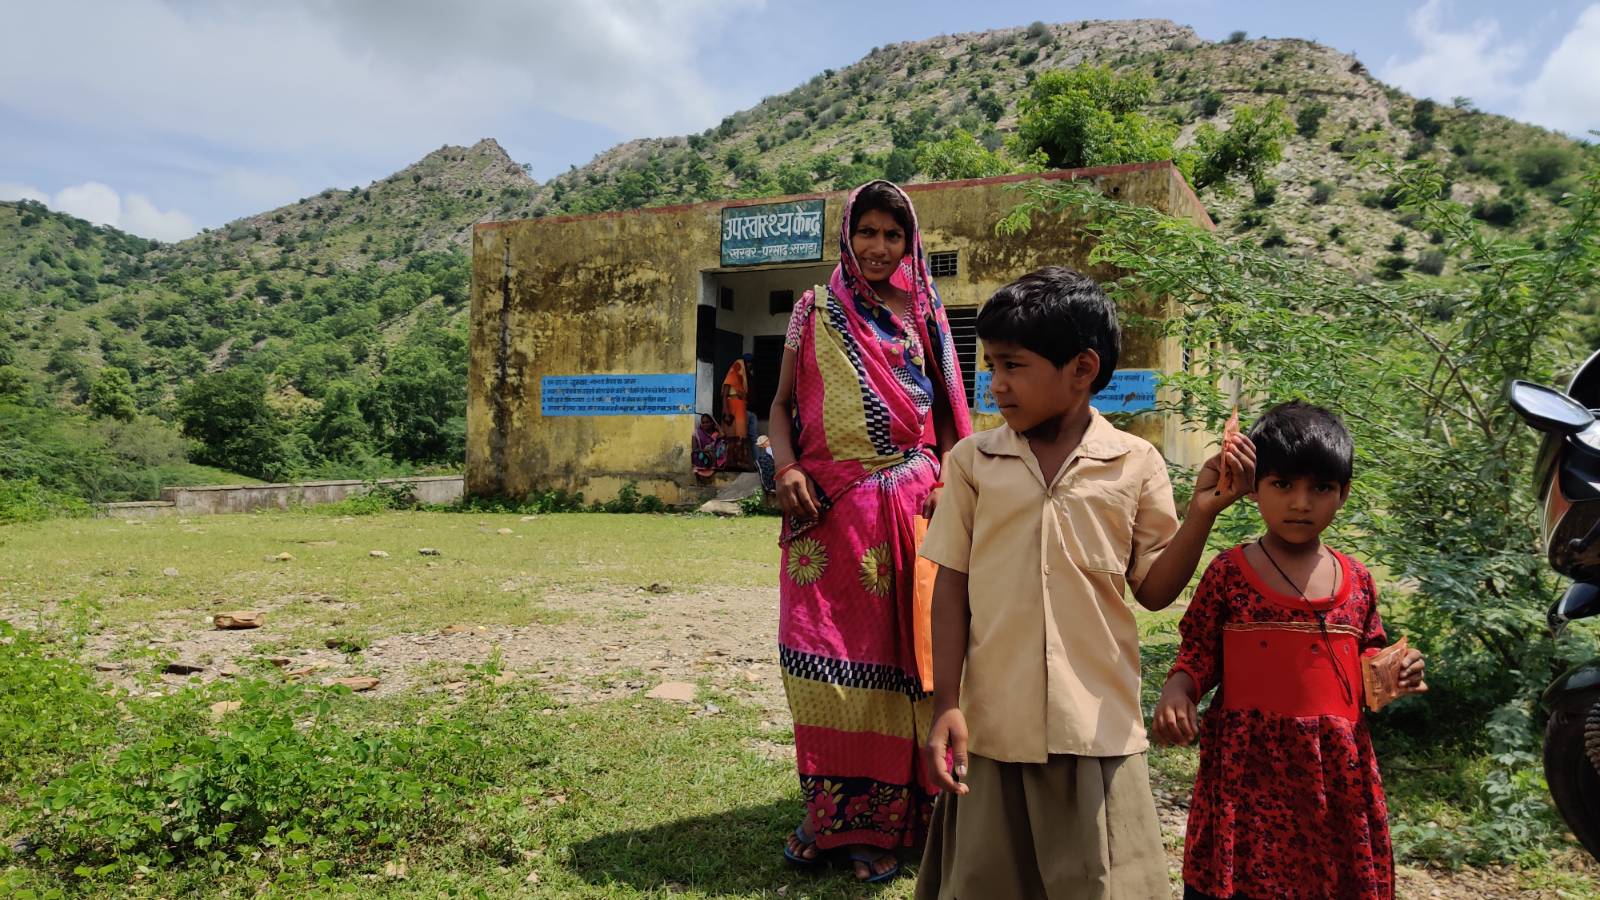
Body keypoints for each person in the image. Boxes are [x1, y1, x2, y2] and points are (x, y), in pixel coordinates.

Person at [915, 267, 1256, 900]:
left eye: (1012, 366)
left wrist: (1203, 511)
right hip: (996, 723)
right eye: (990, 366)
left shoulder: (1135, 462)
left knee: (1102, 884)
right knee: (990, 881)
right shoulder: (972, 463)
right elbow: (951, 587)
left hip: (1095, 725)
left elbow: (1154, 588)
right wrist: (947, 704)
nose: (996, 385)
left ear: (1081, 369)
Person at [769, 180, 971, 882]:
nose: (879, 247)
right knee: (818, 663)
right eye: (868, 232)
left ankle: (891, 825)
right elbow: (779, 408)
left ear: (909, 241)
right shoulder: (813, 309)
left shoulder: (926, 308)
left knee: (907, 667)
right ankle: (833, 814)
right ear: (847, 234)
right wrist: (787, 465)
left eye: (894, 234)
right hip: (827, 516)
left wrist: (951, 483)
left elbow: (949, 411)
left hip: (913, 511)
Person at [1151, 401, 1426, 900]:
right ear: (1253, 489)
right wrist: (1177, 691)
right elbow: (1197, 653)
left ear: (1342, 494)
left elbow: (1369, 664)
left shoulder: (1358, 581)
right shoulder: (1230, 573)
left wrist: (1396, 672)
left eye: (1320, 488)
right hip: (1247, 775)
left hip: (1335, 776)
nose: (1301, 503)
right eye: (1283, 486)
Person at [722, 354, 752, 470]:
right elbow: (724, 395)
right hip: (732, 407)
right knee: (731, 435)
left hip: (740, 407)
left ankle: (740, 462)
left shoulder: (742, 381)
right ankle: (731, 463)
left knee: (741, 434)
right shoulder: (730, 377)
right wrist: (726, 411)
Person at [690, 413, 726, 482]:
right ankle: (703, 469)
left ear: (712, 423)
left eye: (707, 422)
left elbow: (722, 435)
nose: (705, 424)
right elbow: (694, 449)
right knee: (695, 454)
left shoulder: (716, 434)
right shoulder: (696, 433)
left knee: (722, 444)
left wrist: (718, 427)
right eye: (703, 422)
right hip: (702, 456)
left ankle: (716, 466)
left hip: (713, 457)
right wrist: (704, 451)